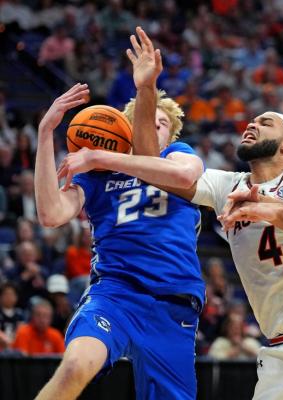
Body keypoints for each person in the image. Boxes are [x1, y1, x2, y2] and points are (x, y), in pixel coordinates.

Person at [64, 91, 283, 396]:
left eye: (266, 123)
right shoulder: (227, 185)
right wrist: (146, 87)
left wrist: (269, 208)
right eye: (252, 120)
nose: (253, 123)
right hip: (280, 353)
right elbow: (155, 171)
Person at [33, 27, 205, 400]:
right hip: (116, 293)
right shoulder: (99, 178)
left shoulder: (179, 154)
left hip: (173, 301)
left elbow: (184, 175)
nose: (156, 128)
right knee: (75, 367)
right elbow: (50, 214)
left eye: (163, 124)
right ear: (124, 131)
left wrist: (146, 89)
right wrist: (46, 132)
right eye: (149, 120)